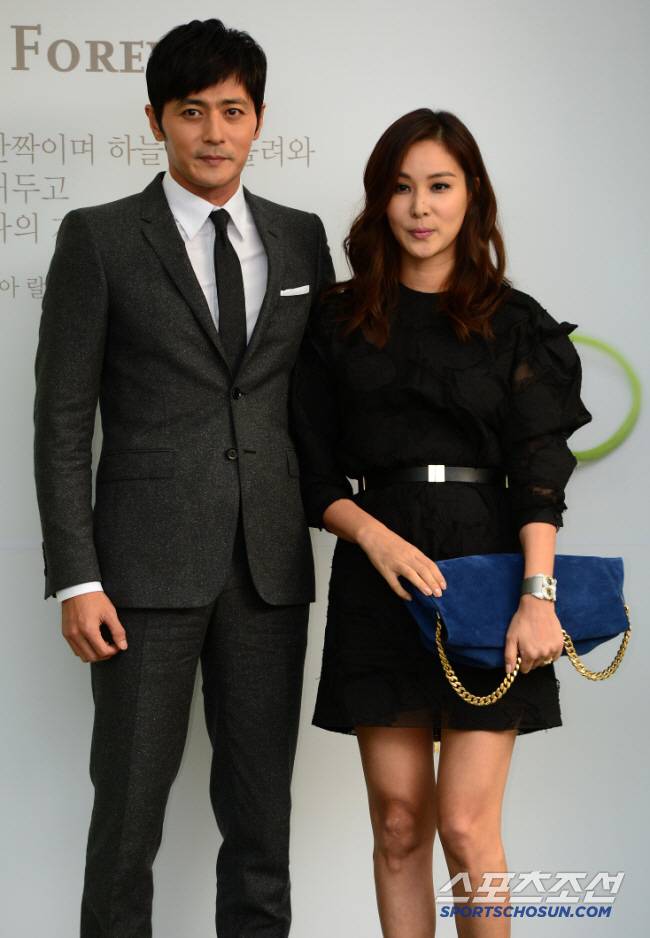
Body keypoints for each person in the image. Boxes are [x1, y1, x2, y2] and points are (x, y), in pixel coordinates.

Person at [33, 18, 333, 938]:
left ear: (259, 120)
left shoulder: (300, 238)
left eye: (232, 111)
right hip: (141, 573)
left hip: (269, 569)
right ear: (156, 120)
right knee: (127, 819)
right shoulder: (100, 238)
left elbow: (318, 402)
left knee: (262, 824)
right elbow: (62, 418)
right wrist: (77, 578)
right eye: (192, 111)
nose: (213, 132)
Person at [291, 108, 592, 937]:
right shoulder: (336, 321)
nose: (420, 207)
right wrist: (373, 536)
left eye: (439, 186)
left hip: (487, 579)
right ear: (379, 200)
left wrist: (538, 597)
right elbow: (313, 475)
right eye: (401, 187)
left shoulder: (516, 321)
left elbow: (539, 477)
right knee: (397, 824)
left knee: (464, 826)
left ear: (472, 196)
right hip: (377, 578)